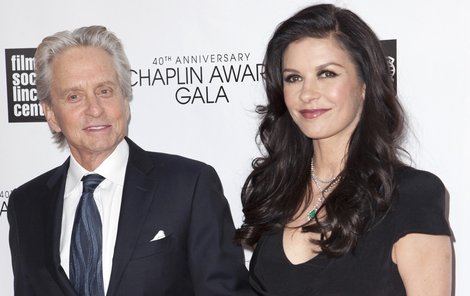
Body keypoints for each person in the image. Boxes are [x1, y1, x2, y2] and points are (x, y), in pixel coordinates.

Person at [8, 25, 253, 296]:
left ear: (125, 100)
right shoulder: (26, 205)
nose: (94, 109)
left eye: (104, 91)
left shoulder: (189, 186)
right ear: (51, 114)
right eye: (74, 97)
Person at [236, 4, 452, 296]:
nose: (307, 93)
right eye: (293, 78)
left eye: (327, 74)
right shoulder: (275, 192)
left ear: (364, 84)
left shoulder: (410, 195)